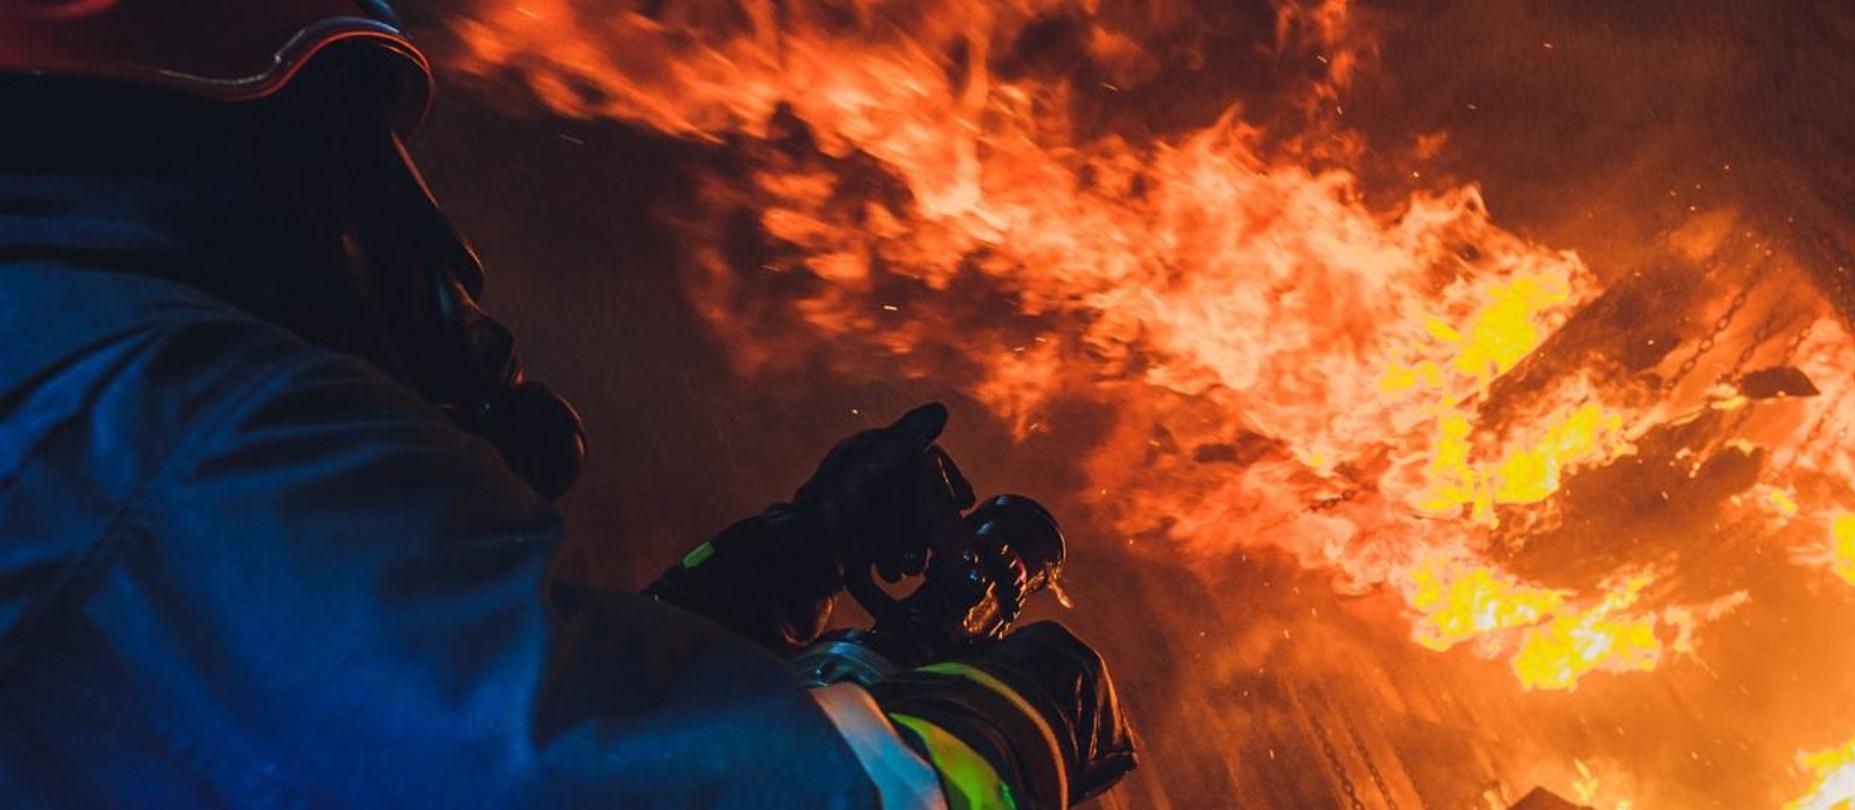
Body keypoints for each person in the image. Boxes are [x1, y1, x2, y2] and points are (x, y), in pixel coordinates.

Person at [0, 2, 1134, 808]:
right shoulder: (174, 410)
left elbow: (499, 724)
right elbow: (569, 778)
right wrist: (1003, 729)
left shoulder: (70, 363)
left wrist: (790, 562)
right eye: (352, 135)